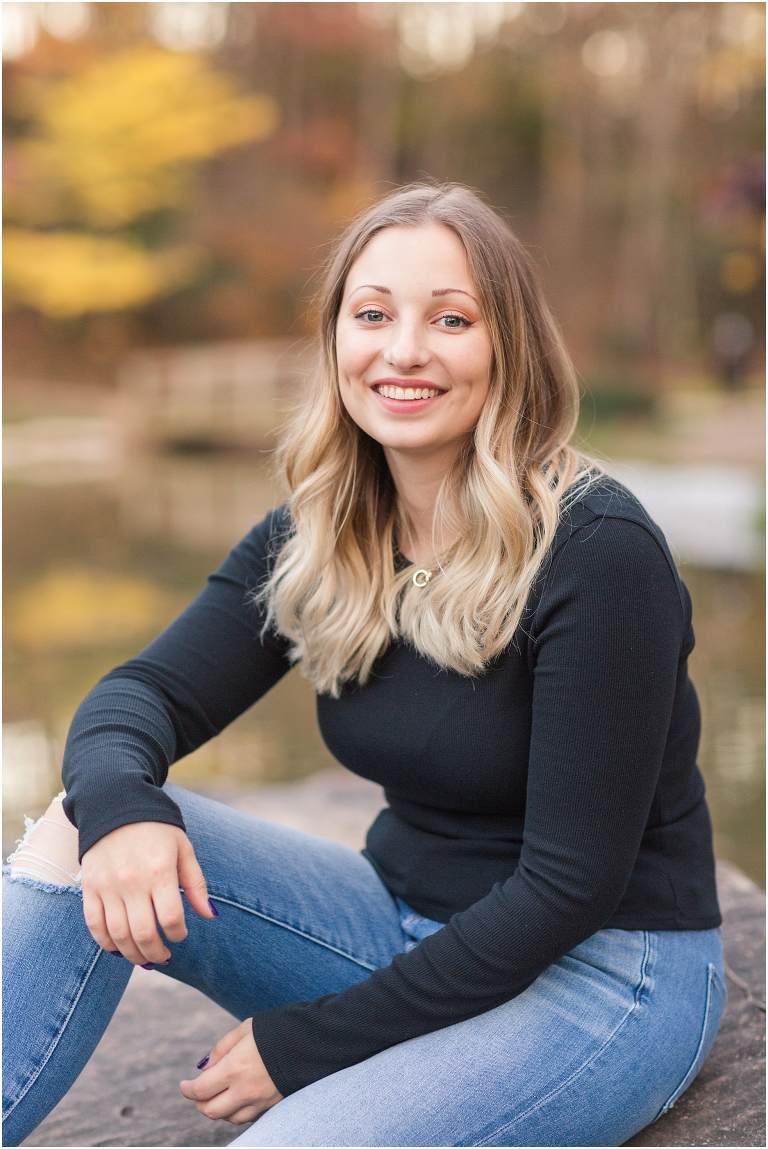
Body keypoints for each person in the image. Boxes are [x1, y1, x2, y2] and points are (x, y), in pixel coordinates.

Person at [3, 185, 724, 1148]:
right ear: (338, 338)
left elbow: (569, 887)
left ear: (510, 346)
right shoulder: (325, 526)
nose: (404, 350)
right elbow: (143, 694)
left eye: (452, 319)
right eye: (373, 313)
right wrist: (124, 808)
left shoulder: (598, 550)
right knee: (82, 823)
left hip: (604, 971)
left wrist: (310, 1047)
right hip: (396, 921)